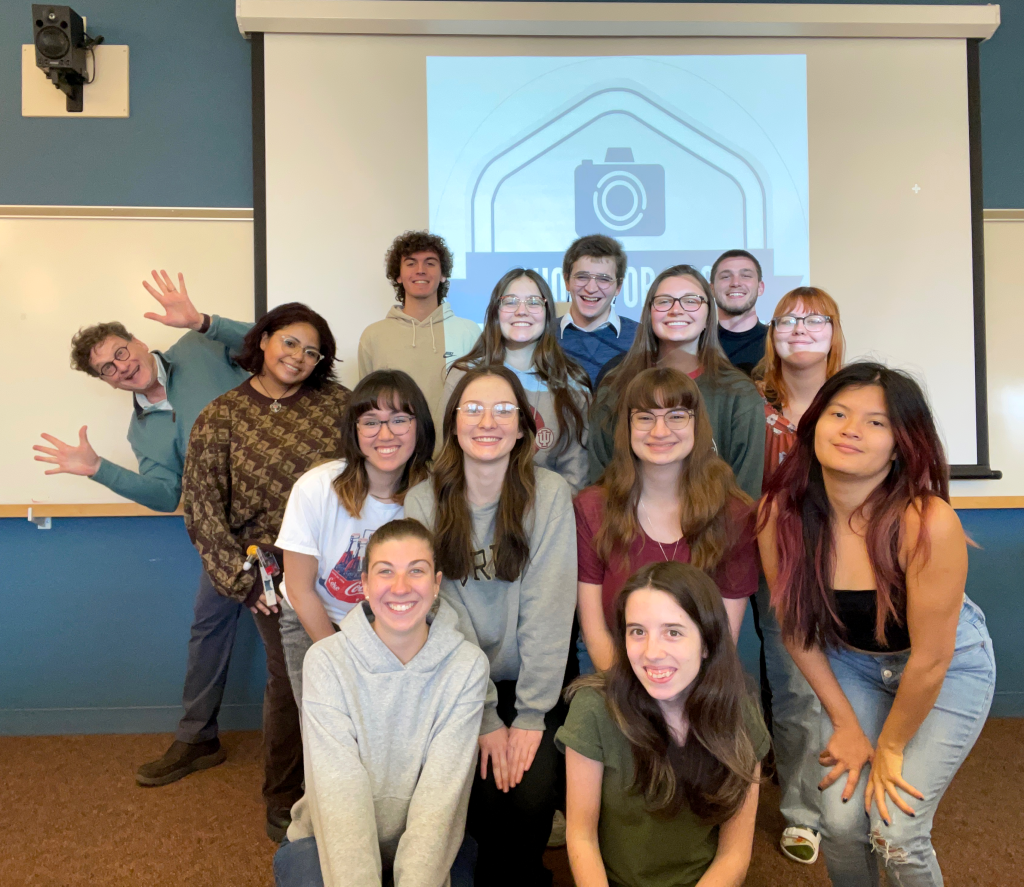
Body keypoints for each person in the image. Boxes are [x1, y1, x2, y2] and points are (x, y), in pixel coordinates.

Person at [756, 363, 996, 887]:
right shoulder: (780, 512)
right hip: (851, 666)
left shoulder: (927, 522)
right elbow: (797, 630)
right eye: (838, 414)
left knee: (896, 830)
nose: (850, 429)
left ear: (901, 445)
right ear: (814, 423)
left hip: (944, 669)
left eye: (876, 422)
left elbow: (933, 659)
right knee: (840, 825)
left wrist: (888, 746)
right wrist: (844, 723)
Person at [33, 270, 254, 789]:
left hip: (291, 512)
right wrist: (99, 470)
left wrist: (204, 320)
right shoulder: (143, 429)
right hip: (224, 535)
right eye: (108, 369)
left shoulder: (200, 345)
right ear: (107, 383)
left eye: (120, 351)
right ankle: (199, 738)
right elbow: (165, 495)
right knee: (208, 626)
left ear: (138, 340)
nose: (121, 367)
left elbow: (274, 345)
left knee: (301, 627)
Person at [182, 302, 350, 841]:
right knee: (292, 675)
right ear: (265, 339)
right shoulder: (221, 415)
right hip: (268, 571)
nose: (299, 356)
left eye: (312, 350)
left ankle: (351, 784)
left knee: (359, 668)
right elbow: (203, 507)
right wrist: (243, 578)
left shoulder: (340, 406)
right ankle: (286, 794)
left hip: (346, 561)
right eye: (290, 342)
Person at [404, 365, 577, 886]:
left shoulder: (549, 495)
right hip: (456, 683)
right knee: (475, 793)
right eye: (472, 409)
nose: (488, 421)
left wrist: (528, 717)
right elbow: (438, 618)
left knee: (528, 796)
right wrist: (484, 717)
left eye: (504, 410)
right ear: (453, 424)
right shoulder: (422, 500)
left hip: (533, 683)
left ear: (523, 426)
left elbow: (549, 611)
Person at [274, 519, 490, 887]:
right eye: (385, 571)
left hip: (428, 846)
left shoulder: (467, 667)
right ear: (365, 585)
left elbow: (440, 799)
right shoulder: (326, 662)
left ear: (437, 584)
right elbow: (340, 791)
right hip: (326, 842)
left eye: (416, 571)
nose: (401, 587)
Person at [556, 561, 769, 887]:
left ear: (707, 643)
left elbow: (734, 855)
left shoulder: (740, 715)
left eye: (673, 632)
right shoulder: (593, 709)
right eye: (637, 631)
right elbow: (582, 837)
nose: (652, 652)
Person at [748, 286, 846, 864]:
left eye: (817, 319)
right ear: (772, 331)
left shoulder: (854, 401)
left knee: (813, 690)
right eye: (789, 318)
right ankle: (774, 804)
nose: (801, 327)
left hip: (835, 565)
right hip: (753, 560)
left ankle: (808, 809)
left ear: (836, 332)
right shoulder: (747, 400)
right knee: (774, 686)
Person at [575, 367, 757, 675]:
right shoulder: (592, 508)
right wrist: (636, 700)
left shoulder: (733, 514)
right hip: (615, 683)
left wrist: (676, 702)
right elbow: (595, 632)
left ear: (697, 426)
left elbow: (723, 639)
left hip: (701, 687)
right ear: (627, 427)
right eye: (645, 417)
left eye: (676, 416)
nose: (660, 431)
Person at [276, 369, 435, 707]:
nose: (386, 434)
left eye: (400, 420)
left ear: (419, 426)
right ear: (354, 430)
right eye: (371, 422)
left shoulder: (435, 494)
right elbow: (299, 588)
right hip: (316, 618)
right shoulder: (316, 487)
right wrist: (341, 659)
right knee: (328, 732)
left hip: (396, 620)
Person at [588, 265, 766, 500]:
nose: (676, 310)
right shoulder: (615, 385)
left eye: (691, 301)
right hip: (627, 529)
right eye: (664, 301)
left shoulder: (739, 394)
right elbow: (600, 484)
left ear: (708, 314)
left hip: (714, 533)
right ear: (650, 313)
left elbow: (744, 496)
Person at [444, 268, 591, 492]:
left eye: (533, 302)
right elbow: (445, 459)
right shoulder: (464, 376)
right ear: (496, 311)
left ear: (547, 312)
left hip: (546, 515)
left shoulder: (572, 383)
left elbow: (575, 477)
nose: (522, 311)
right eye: (510, 301)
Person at [358, 231, 481, 444]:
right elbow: (367, 409)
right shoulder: (374, 336)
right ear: (398, 275)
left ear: (443, 274)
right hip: (396, 459)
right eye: (411, 263)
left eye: (430, 263)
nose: (421, 270)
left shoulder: (468, 332)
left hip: (456, 458)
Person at [558, 234, 639, 386]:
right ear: (567, 281)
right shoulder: (543, 336)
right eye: (582, 277)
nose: (591, 288)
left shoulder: (641, 337)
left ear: (618, 287)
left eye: (604, 279)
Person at [711, 249, 768, 375]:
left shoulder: (777, 342)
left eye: (746, 276)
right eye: (726, 277)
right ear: (712, 289)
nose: (735, 283)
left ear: (760, 288)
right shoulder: (698, 345)